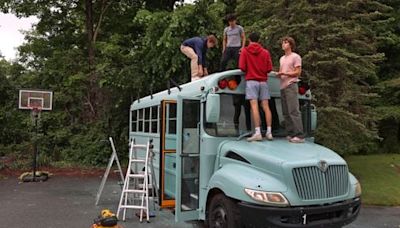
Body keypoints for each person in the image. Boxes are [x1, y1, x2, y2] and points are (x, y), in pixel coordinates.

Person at [239, 32, 273, 141]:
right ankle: (269, 132)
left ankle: (257, 132)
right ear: (259, 40)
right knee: (266, 106)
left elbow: (242, 67)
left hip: (251, 81)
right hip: (263, 81)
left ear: (249, 39)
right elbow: (269, 68)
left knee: (254, 106)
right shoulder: (265, 52)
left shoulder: (245, 51)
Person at [277, 36, 305, 143]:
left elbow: (298, 72)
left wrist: (285, 73)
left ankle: (299, 135)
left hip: (291, 85)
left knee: (293, 110)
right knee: (286, 112)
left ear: (290, 45)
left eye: (285, 42)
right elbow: (281, 71)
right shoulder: (282, 58)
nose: (283, 44)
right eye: (283, 42)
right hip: (282, 86)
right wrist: (279, 74)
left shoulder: (295, 57)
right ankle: (290, 133)